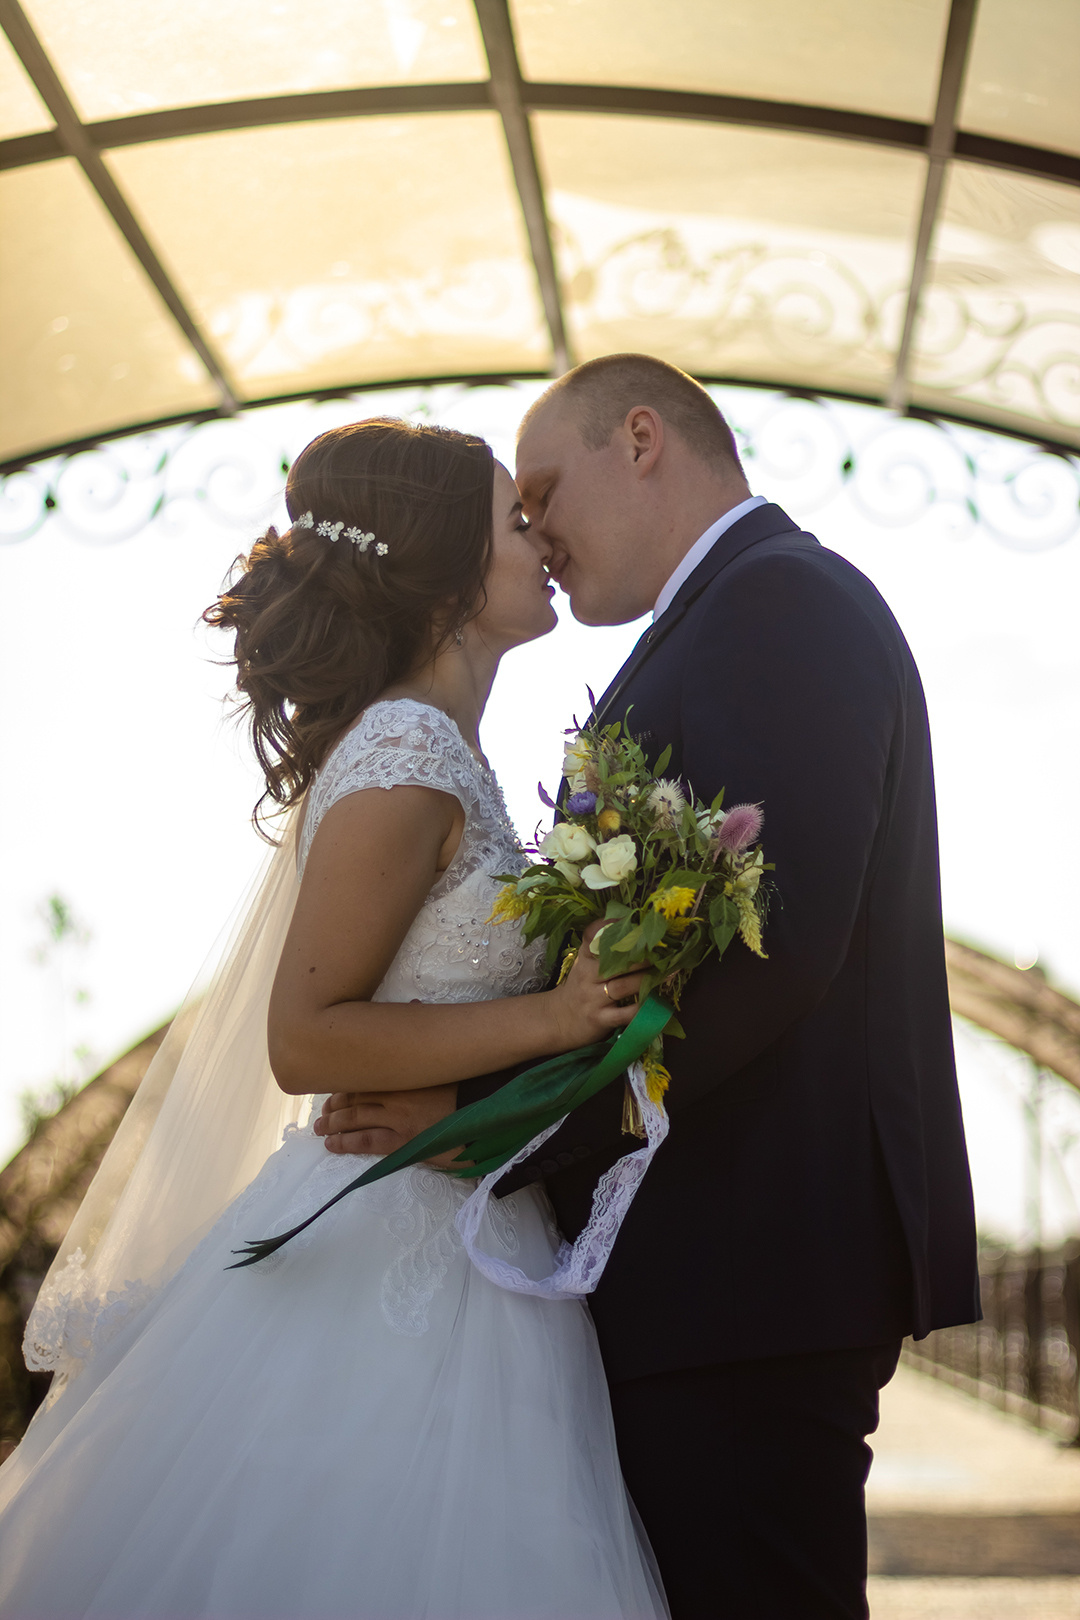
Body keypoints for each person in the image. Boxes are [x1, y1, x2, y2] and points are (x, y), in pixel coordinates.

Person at [317, 358, 983, 1620]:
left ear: (640, 439)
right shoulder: (727, 617)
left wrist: (495, 1123)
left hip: (748, 1269)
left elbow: (769, 952)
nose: (537, 529)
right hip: (709, 1274)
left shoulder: (777, 603)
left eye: (544, 491)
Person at [0, 418, 669, 1620]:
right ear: (448, 571)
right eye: (514, 520)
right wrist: (559, 1017)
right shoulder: (406, 753)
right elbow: (306, 1038)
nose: (542, 539)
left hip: (464, 1220)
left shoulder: (449, 752)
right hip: (383, 1237)